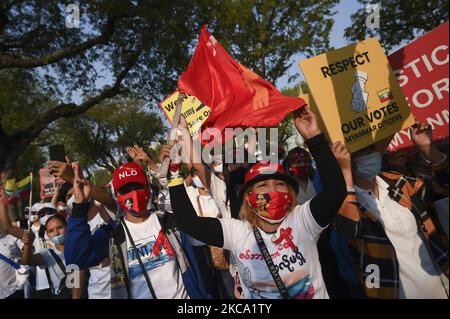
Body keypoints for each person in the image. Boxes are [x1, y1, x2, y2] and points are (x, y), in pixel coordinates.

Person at [165, 108, 348, 299]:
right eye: (263, 185)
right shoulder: (235, 226)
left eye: (279, 184)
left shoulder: (302, 220)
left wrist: (315, 139)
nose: (272, 190)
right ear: (248, 195)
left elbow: (335, 192)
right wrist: (176, 169)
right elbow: (188, 221)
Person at [334, 122, 449, 299]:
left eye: (372, 148)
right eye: (361, 151)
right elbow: (350, 228)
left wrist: (427, 148)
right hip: (391, 293)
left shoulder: (398, 183)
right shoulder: (346, 201)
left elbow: (442, 188)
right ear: (348, 159)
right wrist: (345, 174)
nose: (370, 155)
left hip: (437, 287)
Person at [64, 162, 209, 299]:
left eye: (137, 187)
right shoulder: (112, 234)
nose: (133, 193)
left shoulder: (170, 221)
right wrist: (79, 207)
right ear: (117, 195)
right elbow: (76, 260)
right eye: (126, 190)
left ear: (148, 188)